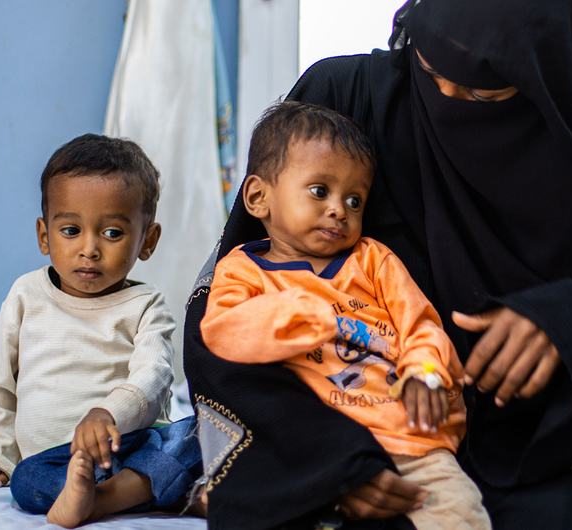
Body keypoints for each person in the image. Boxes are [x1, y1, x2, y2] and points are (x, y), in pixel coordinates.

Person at [183, 0, 572, 527]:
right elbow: (222, 315)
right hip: (322, 435)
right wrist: (331, 464)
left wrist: (567, 323)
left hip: (511, 452)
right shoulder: (343, 100)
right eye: (431, 70)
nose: (447, 98)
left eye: (482, 92)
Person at [200, 101, 492, 530]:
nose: (339, 209)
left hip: (413, 439)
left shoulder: (373, 260)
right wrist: (306, 313)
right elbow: (222, 331)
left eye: (354, 200)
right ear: (259, 197)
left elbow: (422, 327)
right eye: (320, 191)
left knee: (461, 513)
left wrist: (426, 372)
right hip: (322, 446)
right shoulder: (243, 270)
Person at [0, 134, 202, 528]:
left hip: (132, 446)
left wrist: (108, 414)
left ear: (147, 241)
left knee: (205, 429)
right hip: (57, 461)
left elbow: (153, 377)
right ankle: (164, 492)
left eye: (113, 233)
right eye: (70, 231)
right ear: (44, 235)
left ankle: (109, 498)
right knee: (25, 480)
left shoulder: (145, 305)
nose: (90, 249)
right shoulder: (26, 295)